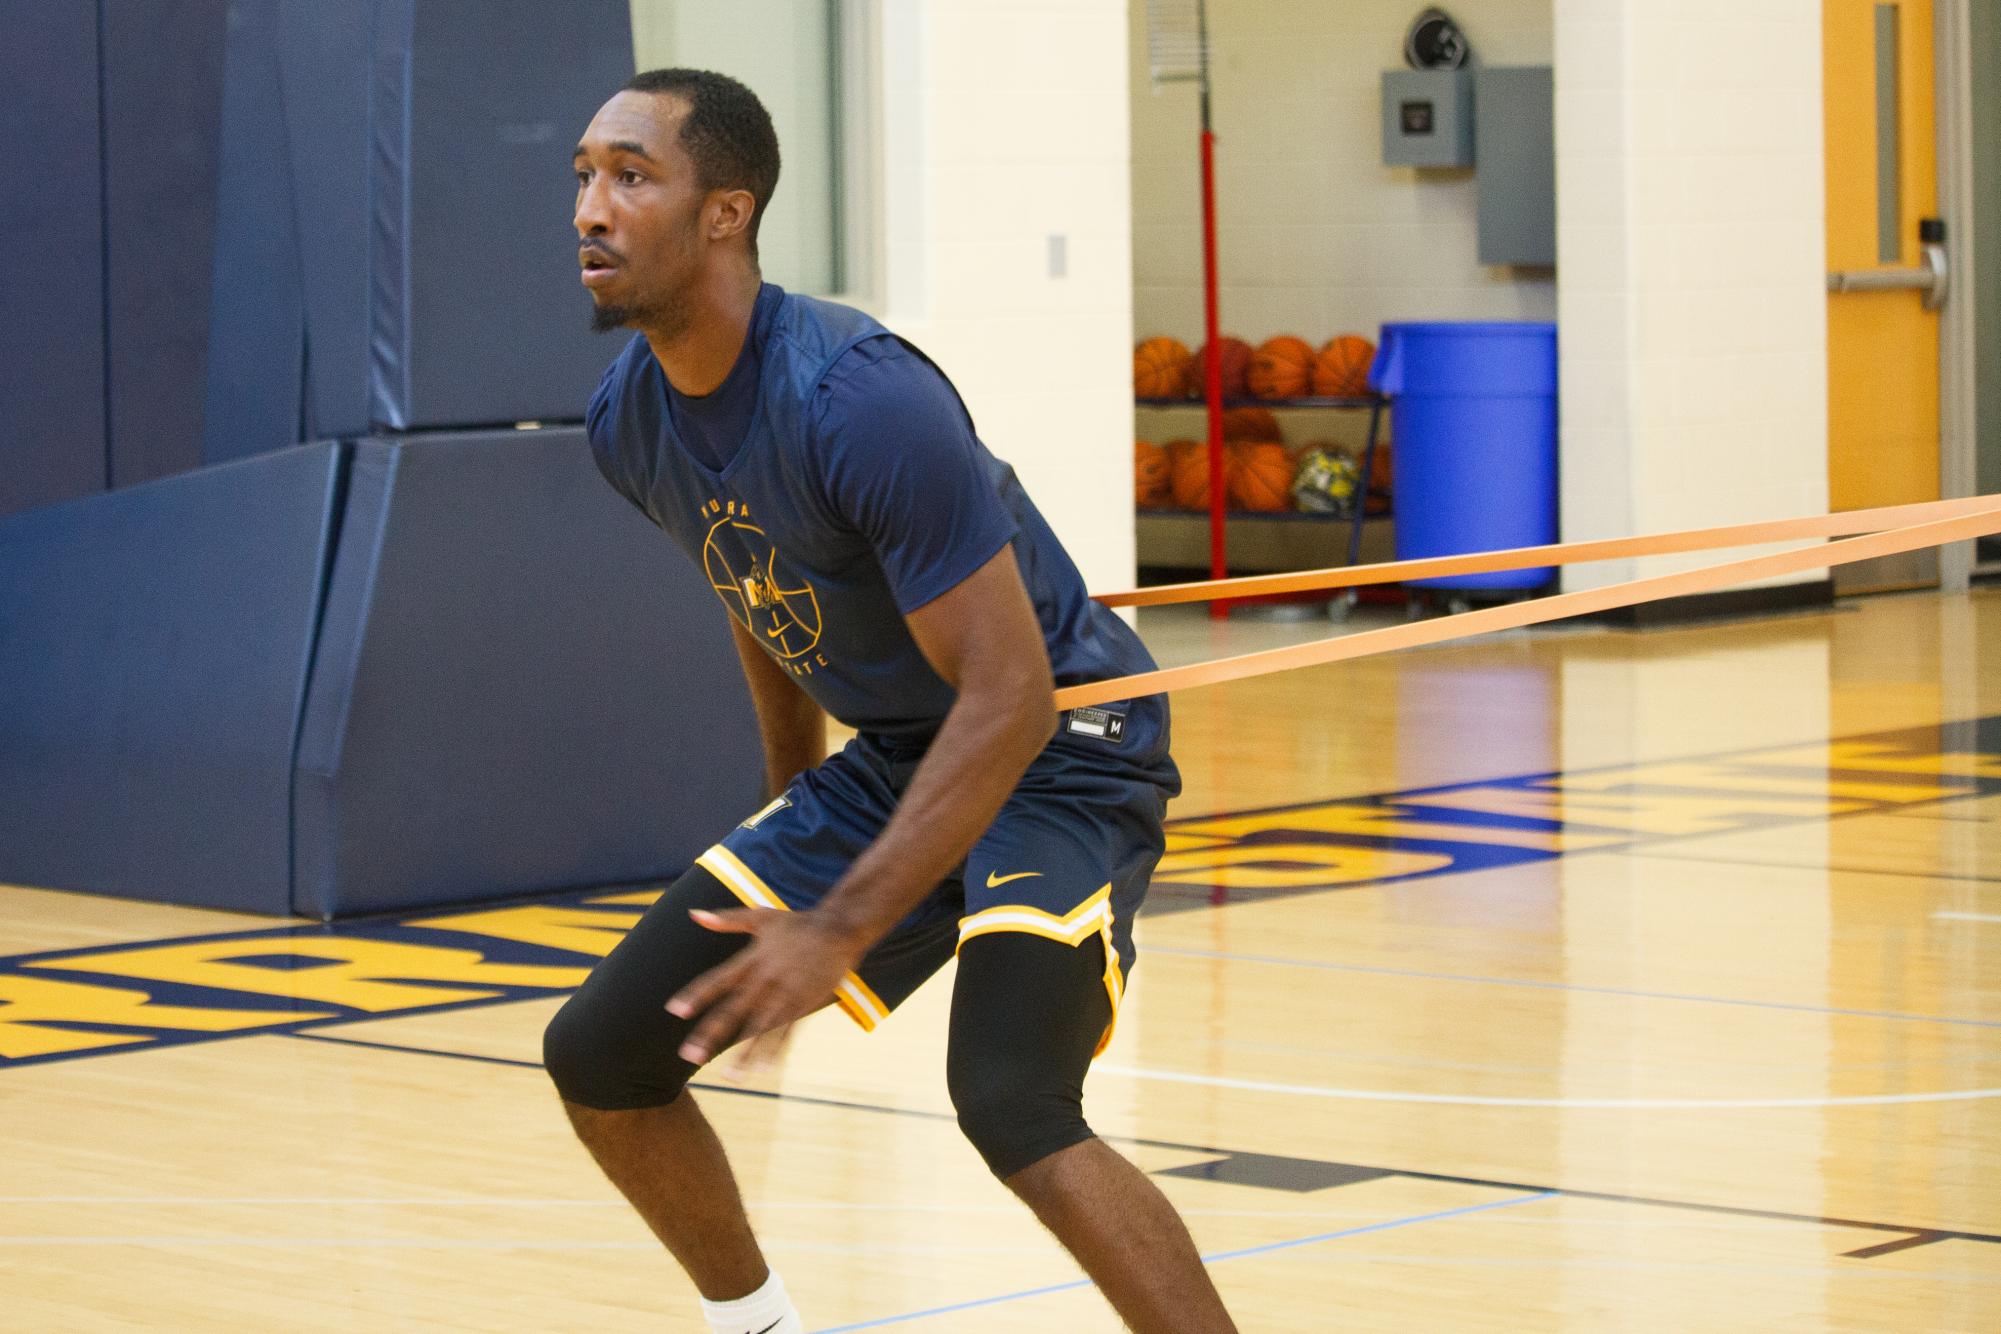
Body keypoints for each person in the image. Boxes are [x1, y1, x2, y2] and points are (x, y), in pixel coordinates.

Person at [543, 68, 1238, 1334]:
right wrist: (786, 807)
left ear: (725, 213)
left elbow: (1013, 695)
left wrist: (840, 921)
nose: (592, 206)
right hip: (907, 753)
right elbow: (750, 580)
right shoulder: (627, 421)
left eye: (631, 176)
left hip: (1067, 744)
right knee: (600, 1054)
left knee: (1012, 1096)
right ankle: (759, 1325)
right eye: (585, 174)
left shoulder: (862, 399)